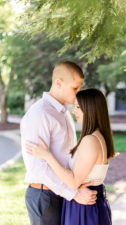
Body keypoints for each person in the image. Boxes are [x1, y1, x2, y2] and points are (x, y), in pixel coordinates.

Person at [21, 61, 97, 225]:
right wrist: (74, 194)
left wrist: (75, 186)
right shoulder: (39, 114)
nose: (78, 94)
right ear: (59, 83)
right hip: (45, 196)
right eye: (75, 88)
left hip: (63, 192)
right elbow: (38, 167)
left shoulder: (64, 114)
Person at [26, 88, 115, 225]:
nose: (74, 111)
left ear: (90, 109)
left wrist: (47, 155)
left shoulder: (91, 140)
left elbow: (73, 181)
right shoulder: (98, 137)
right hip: (88, 201)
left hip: (84, 207)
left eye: (78, 107)